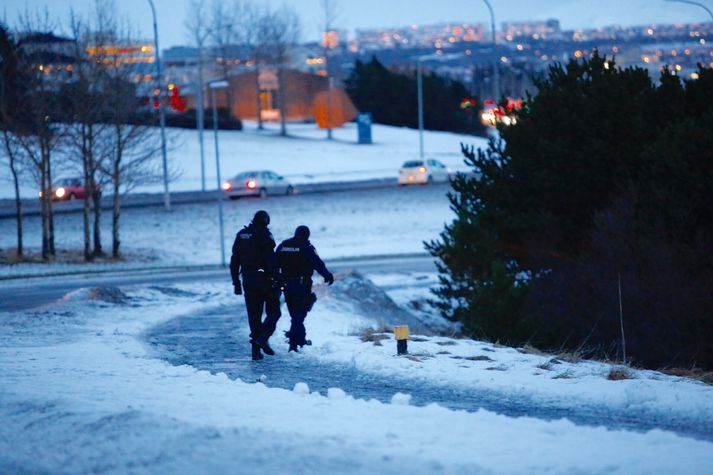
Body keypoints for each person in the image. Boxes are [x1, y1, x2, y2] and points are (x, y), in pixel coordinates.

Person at [230, 210, 282, 360]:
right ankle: (262, 338)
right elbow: (270, 258)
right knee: (274, 312)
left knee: (254, 316)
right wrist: (277, 277)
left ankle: (255, 351)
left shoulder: (241, 235)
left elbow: (234, 262)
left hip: (247, 280)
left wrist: (236, 283)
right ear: (266, 221)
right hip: (264, 280)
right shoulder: (265, 235)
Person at [276, 225, 334, 352]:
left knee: (294, 314)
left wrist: (277, 279)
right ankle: (293, 343)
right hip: (301, 285)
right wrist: (327, 275)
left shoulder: (283, 245)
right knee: (299, 314)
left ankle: (300, 340)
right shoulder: (307, 247)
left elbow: (274, 263)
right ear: (307, 235)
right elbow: (317, 263)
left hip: (286, 285)